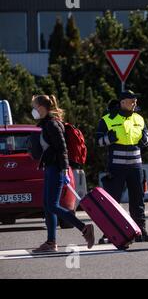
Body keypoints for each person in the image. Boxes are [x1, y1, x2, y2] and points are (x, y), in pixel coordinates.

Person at [31, 95, 95, 253]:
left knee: (53, 205)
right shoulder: (47, 123)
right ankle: (51, 242)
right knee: (47, 206)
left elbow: (62, 148)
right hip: (50, 168)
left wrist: (64, 170)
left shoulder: (52, 124)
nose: (33, 110)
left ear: (42, 108)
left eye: (35, 107)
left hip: (56, 169)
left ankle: (84, 228)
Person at [96, 90, 148, 243]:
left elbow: (147, 137)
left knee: (138, 200)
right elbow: (98, 141)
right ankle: (108, 233)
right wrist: (109, 138)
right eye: (131, 100)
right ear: (122, 102)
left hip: (136, 167)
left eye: (135, 100)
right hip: (116, 167)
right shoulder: (107, 119)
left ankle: (140, 230)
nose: (134, 103)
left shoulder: (139, 118)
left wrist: (145, 140)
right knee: (113, 201)